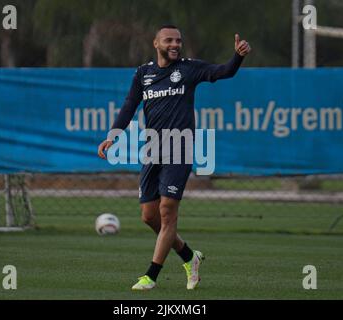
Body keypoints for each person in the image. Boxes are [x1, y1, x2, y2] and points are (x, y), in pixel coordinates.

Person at [98, 25, 251, 290]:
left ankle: (151, 275)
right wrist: (113, 135)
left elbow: (223, 71)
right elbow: (129, 106)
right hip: (152, 149)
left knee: (167, 212)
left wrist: (237, 57)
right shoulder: (143, 73)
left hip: (180, 149)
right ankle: (190, 257)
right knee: (149, 216)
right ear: (156, 43)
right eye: (169, 40)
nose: (175, 44)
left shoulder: (189, 69)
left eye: (178, 40)